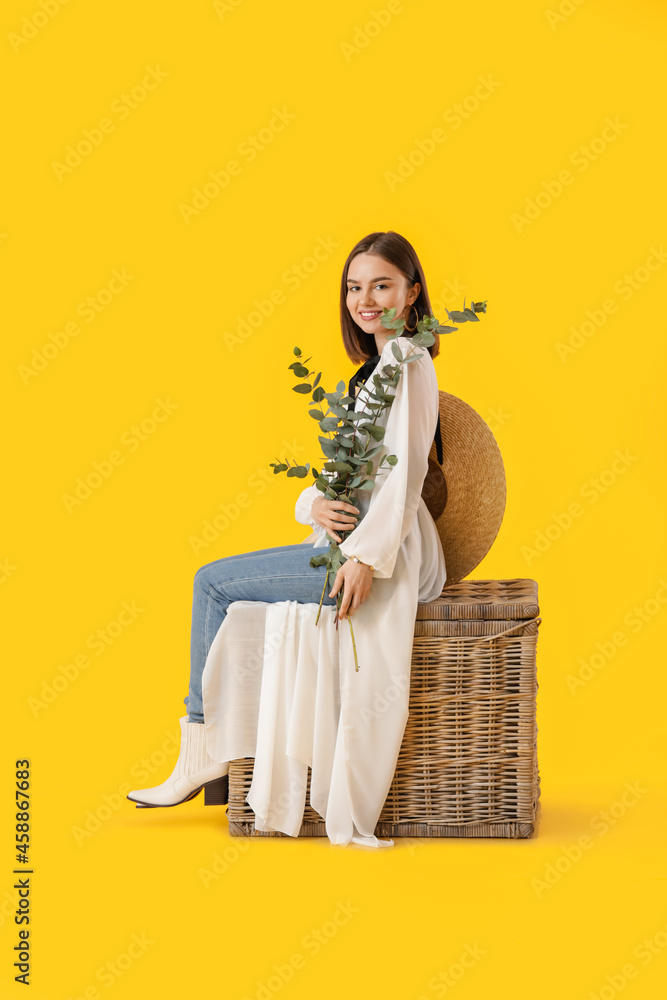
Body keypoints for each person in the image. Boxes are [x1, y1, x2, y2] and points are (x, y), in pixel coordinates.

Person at [127, 231, 446, 819]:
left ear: (411, 291)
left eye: (382, 284)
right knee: (218, 582)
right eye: (354, 287)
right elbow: (345, 477)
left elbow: (405, 476)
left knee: (213, 583)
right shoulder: (372, 373)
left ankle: (201, 748)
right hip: (353, 536)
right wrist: (314, 506)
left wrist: (367, 559)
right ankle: (205, 750)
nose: (365, 299)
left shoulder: (410, 360)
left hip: (383, 549)